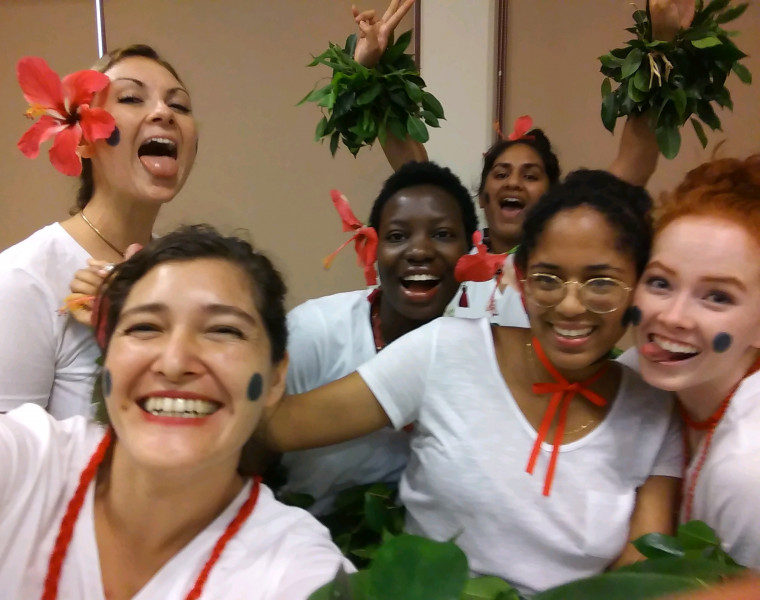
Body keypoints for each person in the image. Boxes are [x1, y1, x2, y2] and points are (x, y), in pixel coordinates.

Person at [258, 170, 683, 595]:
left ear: (641, 285)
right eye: (548, 279)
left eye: (602, 282)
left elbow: (639, 573)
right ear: (520, 275)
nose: (571, 305)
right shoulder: (447, 351)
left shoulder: (653, 407)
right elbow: (281, 425)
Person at [0, 225, 351, 600]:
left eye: (224, 331)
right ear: (107, 355)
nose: (175, 362)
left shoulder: (298, 570)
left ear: (274, 378)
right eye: (145, 327)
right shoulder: (22, 464)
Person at [348, 0, 693, 324]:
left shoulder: (566, 262)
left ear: (551, 196)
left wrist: (661, 46)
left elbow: (633, 164)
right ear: (482, 196)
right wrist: (372, 71)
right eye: (501, 174)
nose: (513, 183)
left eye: (530, 176)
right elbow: (413, 169)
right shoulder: (450, 256)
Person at [0, 44, 197, 418]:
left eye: (179, 105)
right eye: (133, 97)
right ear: (83, 140)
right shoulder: (25, 279)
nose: (164, 113)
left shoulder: (182, 276)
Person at [280, 161, 477, 514]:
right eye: (398, 236)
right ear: (372, 248)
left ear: (471, 250)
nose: (419, 251)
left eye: (443, 234)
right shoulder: (314, 332)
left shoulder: (479, 357)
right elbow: (247, 449)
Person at [627, 155, 760, 568]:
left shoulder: (748, 470)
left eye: (717, 296)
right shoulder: (632, 377)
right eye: (660, 282)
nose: (671, 317)